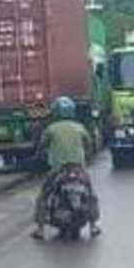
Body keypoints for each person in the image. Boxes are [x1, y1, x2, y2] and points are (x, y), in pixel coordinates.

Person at [31, 96, 101, 239]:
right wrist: (86, 156)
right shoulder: (80, 127)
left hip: (58, 169)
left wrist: (38, 155)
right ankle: (93, 226)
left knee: (43, 196)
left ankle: (39, 229)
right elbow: (90, 145)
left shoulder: (51, 129)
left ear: (56, 112)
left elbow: (41, 147)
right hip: (78, 168)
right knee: (91, 195)